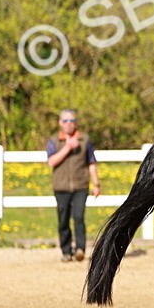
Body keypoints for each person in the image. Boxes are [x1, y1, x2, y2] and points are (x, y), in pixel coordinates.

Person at [46, 109, 100, 262]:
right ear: (60, 123)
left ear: (76, 123)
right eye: (65, 121)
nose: (68, 124)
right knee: (63, 220)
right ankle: (66, 251)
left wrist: (96, 183)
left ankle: (80, 249)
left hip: (80, 186)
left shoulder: (85, 140)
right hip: (61, 187)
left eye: (71, 121)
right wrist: (68, 147)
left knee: (78, 217)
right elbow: (51, 161)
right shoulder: (54, 140)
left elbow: (91, 162)